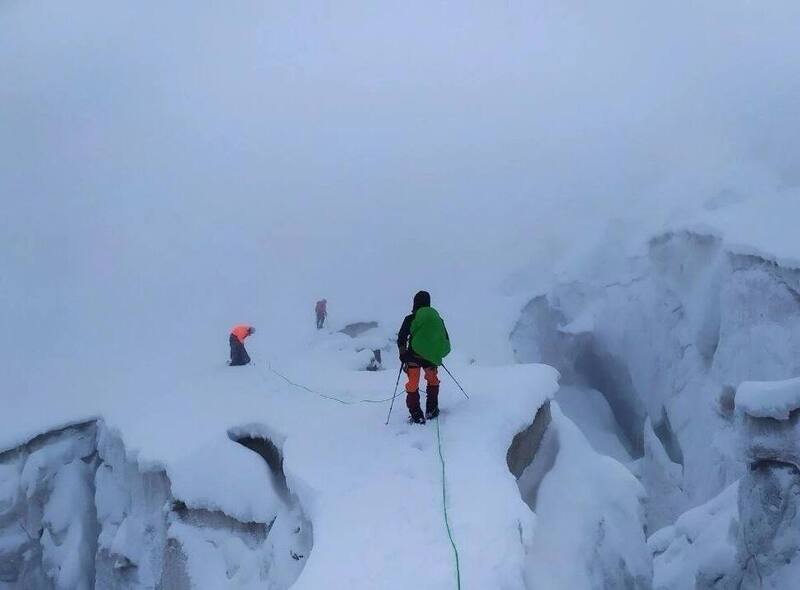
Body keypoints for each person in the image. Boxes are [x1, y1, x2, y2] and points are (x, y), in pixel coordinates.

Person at [397, 291, 451, 423]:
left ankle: (416, 413)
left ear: (415, 303)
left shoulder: (410, 319)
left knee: (413, 383)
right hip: (429, 356)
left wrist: (403, 354)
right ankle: (432, 409)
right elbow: (443, 339)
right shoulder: (437, 320)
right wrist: (437, 353)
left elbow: (402, 337)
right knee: (433, 380)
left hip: (412, 355)